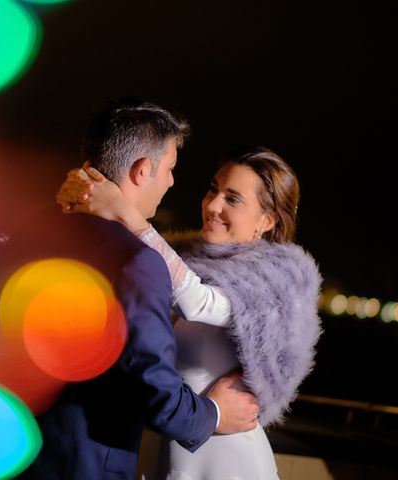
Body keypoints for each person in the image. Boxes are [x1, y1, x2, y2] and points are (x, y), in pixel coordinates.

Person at [13, 98, 259, 480]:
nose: (173, 182)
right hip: (87, 466)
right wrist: (213, 414)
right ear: (143, 170)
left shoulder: (29, 232)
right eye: (171, 169)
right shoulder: (137, 261)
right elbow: (156, 388)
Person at [56, 146, 323, 479]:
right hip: (164, 446)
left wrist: (126, 212)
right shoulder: (182, 258)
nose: (212, 205)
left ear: (267, 221)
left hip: (226, 458)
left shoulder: (276, 278)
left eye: (233, 199)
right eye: (214, 188)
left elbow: (197, 303)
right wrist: (81, 195)